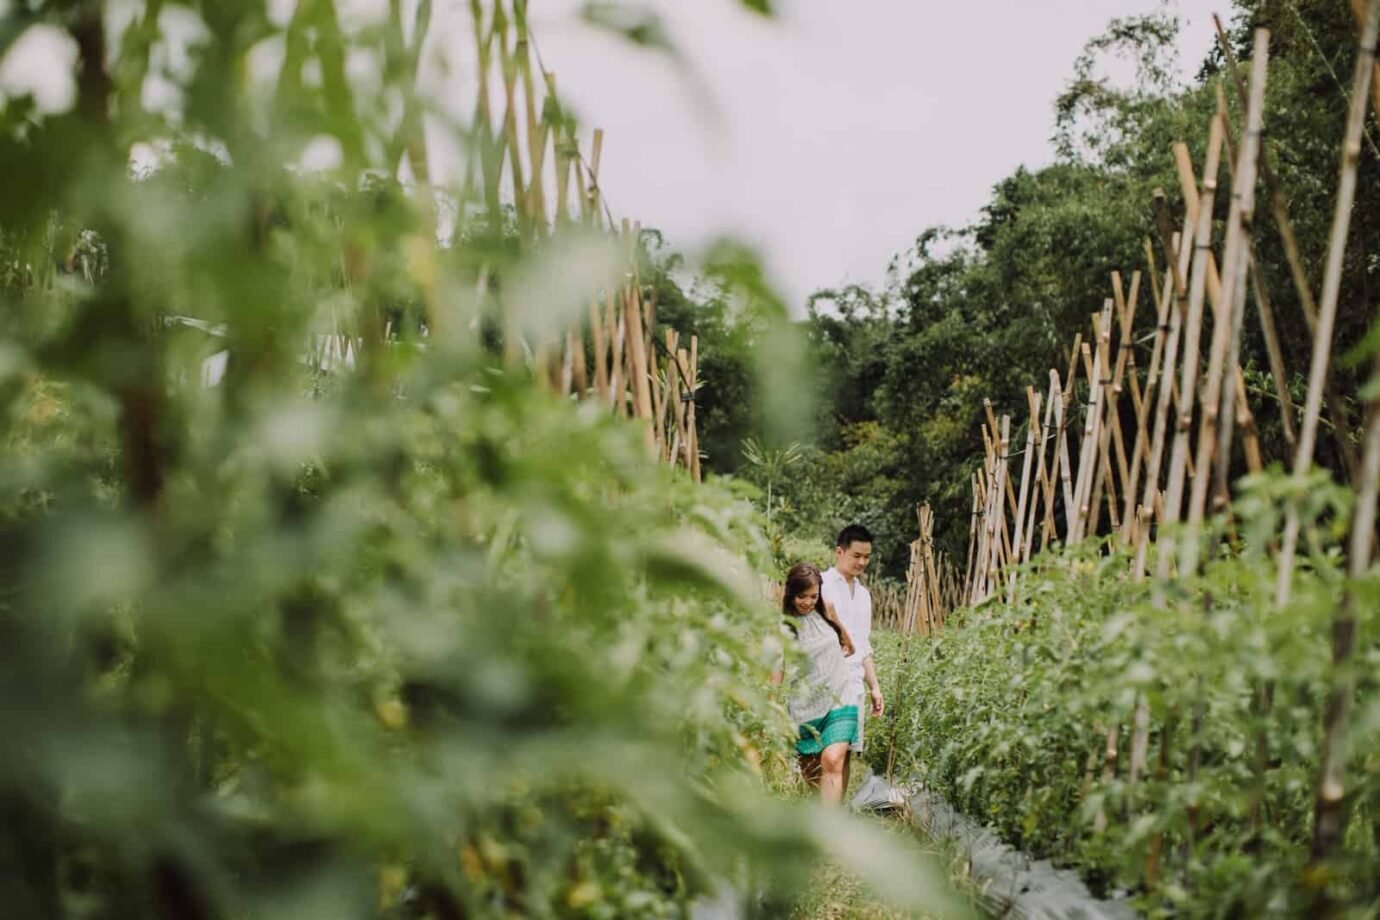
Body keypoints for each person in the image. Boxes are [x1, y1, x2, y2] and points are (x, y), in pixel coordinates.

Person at [773, 562, 858, 804]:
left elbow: (849, 647)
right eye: (802, 596)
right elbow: (777, 672)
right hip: (805, 708)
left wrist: (832, 660)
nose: (809, 602)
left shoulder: (826, 609)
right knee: (812, 781)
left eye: (813, 596)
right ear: (791, 593)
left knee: (832, 761)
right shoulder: (783, 628)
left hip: (841, 698)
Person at [820, 524, 883, 793]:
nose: (862, 562)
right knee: (825, 756)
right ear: (839, 552)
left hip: (854, 685)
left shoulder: (864, 596)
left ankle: (833, 817)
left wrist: (875, 687)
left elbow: (862, 645)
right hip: (824, 682)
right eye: (856, 555)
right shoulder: (820, 585)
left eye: (867, 557)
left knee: (841, 755)